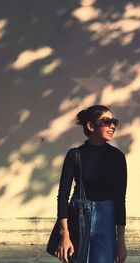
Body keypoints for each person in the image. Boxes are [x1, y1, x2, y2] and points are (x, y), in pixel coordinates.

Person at [55, 105, 128, 263]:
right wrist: (65, 235)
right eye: (107, 121)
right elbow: (62, 196)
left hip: (106, 217)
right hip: (80, 215)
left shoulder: (117, 158)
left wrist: (121, 241)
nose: (113, 126)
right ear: (90, 125)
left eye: (114, 121)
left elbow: (120, 200)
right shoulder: (75, 155)